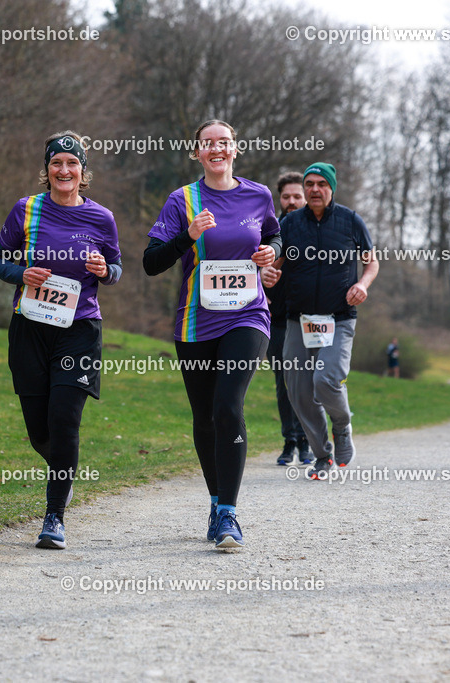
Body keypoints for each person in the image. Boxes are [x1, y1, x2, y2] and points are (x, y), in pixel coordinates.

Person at [143, 119, 280, 549]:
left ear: (234, 149)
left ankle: (228, 514)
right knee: (204, 418)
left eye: (224, 143)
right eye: (208, 144)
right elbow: (151, 262)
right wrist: (188, 236)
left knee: (227, 405)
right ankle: (216, 500)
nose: (217, 149)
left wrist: (271, 252)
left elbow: (276, 234)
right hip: (195, 321)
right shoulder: (181, 200)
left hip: (248, 316)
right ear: (197, 153)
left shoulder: (258, 195)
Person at [0, 131, 122, 549]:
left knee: (65, 420)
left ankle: (53, 518)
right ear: (46, 170)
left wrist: (104, 270)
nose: (64, 171)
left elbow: (116, 268)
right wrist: (20, 274)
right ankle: (64, 470)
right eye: (56, 164)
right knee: (39, 432)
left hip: (79, 329)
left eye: (72, 164)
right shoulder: (26, 209)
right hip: (30, 326)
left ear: (83, 172)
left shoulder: (101, 218)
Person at [263, 162, 378, 481]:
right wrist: (268, 274)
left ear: (331, 189)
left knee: (325, 380)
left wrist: (362, 285)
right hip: (299, 320)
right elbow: (276, 263)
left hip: (339, 318)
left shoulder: (350, 221)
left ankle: (342, 427)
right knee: (298, 392)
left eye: (321, 184)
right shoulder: (290, 224)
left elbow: (371, 262)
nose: (315, 189)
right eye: (310, 183)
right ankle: (322, 455)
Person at [265, 172, 312, 467]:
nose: (292, 201)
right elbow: (251, 264)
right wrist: (260, 287)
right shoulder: (270, 230)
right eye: (286, 197)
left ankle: (308, 441)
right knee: (284, 383)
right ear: (279, 199)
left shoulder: (316, 229)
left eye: (297, 196)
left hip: (312, 319)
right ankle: (289, 441)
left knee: (309, 382)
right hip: (277, 318)